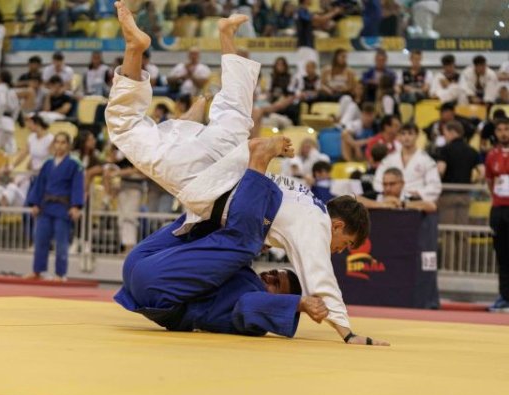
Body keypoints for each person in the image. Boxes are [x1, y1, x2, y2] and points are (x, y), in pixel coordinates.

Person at [106, 2, 386, 345]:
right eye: (345, 245)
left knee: (234, 112)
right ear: (339, 225)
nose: (339, 250)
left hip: (227, 162)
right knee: (125, 126)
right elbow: (320, 277)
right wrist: (348, 332)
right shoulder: (317, 226)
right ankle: (135, 50)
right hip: (214, 183)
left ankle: (226, 35)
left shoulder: (304, 196)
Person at [116, 137, 334, 339]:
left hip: (157, 287)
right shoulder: (244, 275)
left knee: (244, 241)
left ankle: (257, 162)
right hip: (139, 265)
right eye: (274, 273)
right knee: (202, 221)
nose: (268, 276)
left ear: (281, 300)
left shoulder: (255, 309)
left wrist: (300, 305)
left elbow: (249, 305)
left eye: (276, 283)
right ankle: (195, 151)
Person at [25, 132, 84, 280]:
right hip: (45, 206)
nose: (59, 145)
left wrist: (76, 206)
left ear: (68, 145)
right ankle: (38, 271)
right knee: (40, 240)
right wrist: (35, 203)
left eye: (63, 142)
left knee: (61, 243)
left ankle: (60, 273)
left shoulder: (74, 164)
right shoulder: (47, 164)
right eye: (57, 142)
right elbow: (39, 185)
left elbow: (77, 186)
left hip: (63, 208)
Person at [373, 122, 441, 202]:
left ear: (417, 136)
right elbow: (377, 181)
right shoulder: (389, 159)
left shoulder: (426, 160)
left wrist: (418, 193)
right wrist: (389, 192)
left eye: (410, 134)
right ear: (398, 137)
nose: (406, 137)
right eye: (403, 134)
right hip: (390, 201)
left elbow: (435, 186)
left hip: (415, 202)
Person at [437, 120, 483, 225]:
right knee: (462, 229)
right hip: (465, 193)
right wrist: (473, 183)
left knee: (448, 229)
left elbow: (440, 170)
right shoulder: (472, 151)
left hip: (448, 193)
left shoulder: (445, 150)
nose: (445, 137)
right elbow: (482, 172)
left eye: (445, 134)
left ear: (452, 132)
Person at [485, 118, 509, 312]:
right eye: (500, 130)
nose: (503, 133)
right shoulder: (491, 155)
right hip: (499, 209)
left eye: (507, 129)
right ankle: (504, 296)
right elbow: (490, 182)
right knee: (502, 255)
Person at [360, 167, 437, 212]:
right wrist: (382, 205)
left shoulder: (409, 198)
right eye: (385, 184)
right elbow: (353, 199)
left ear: (402, 183)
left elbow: (431, 206)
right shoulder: (376, 196)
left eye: (392, 184)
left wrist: (401, 204)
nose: (388, 188)